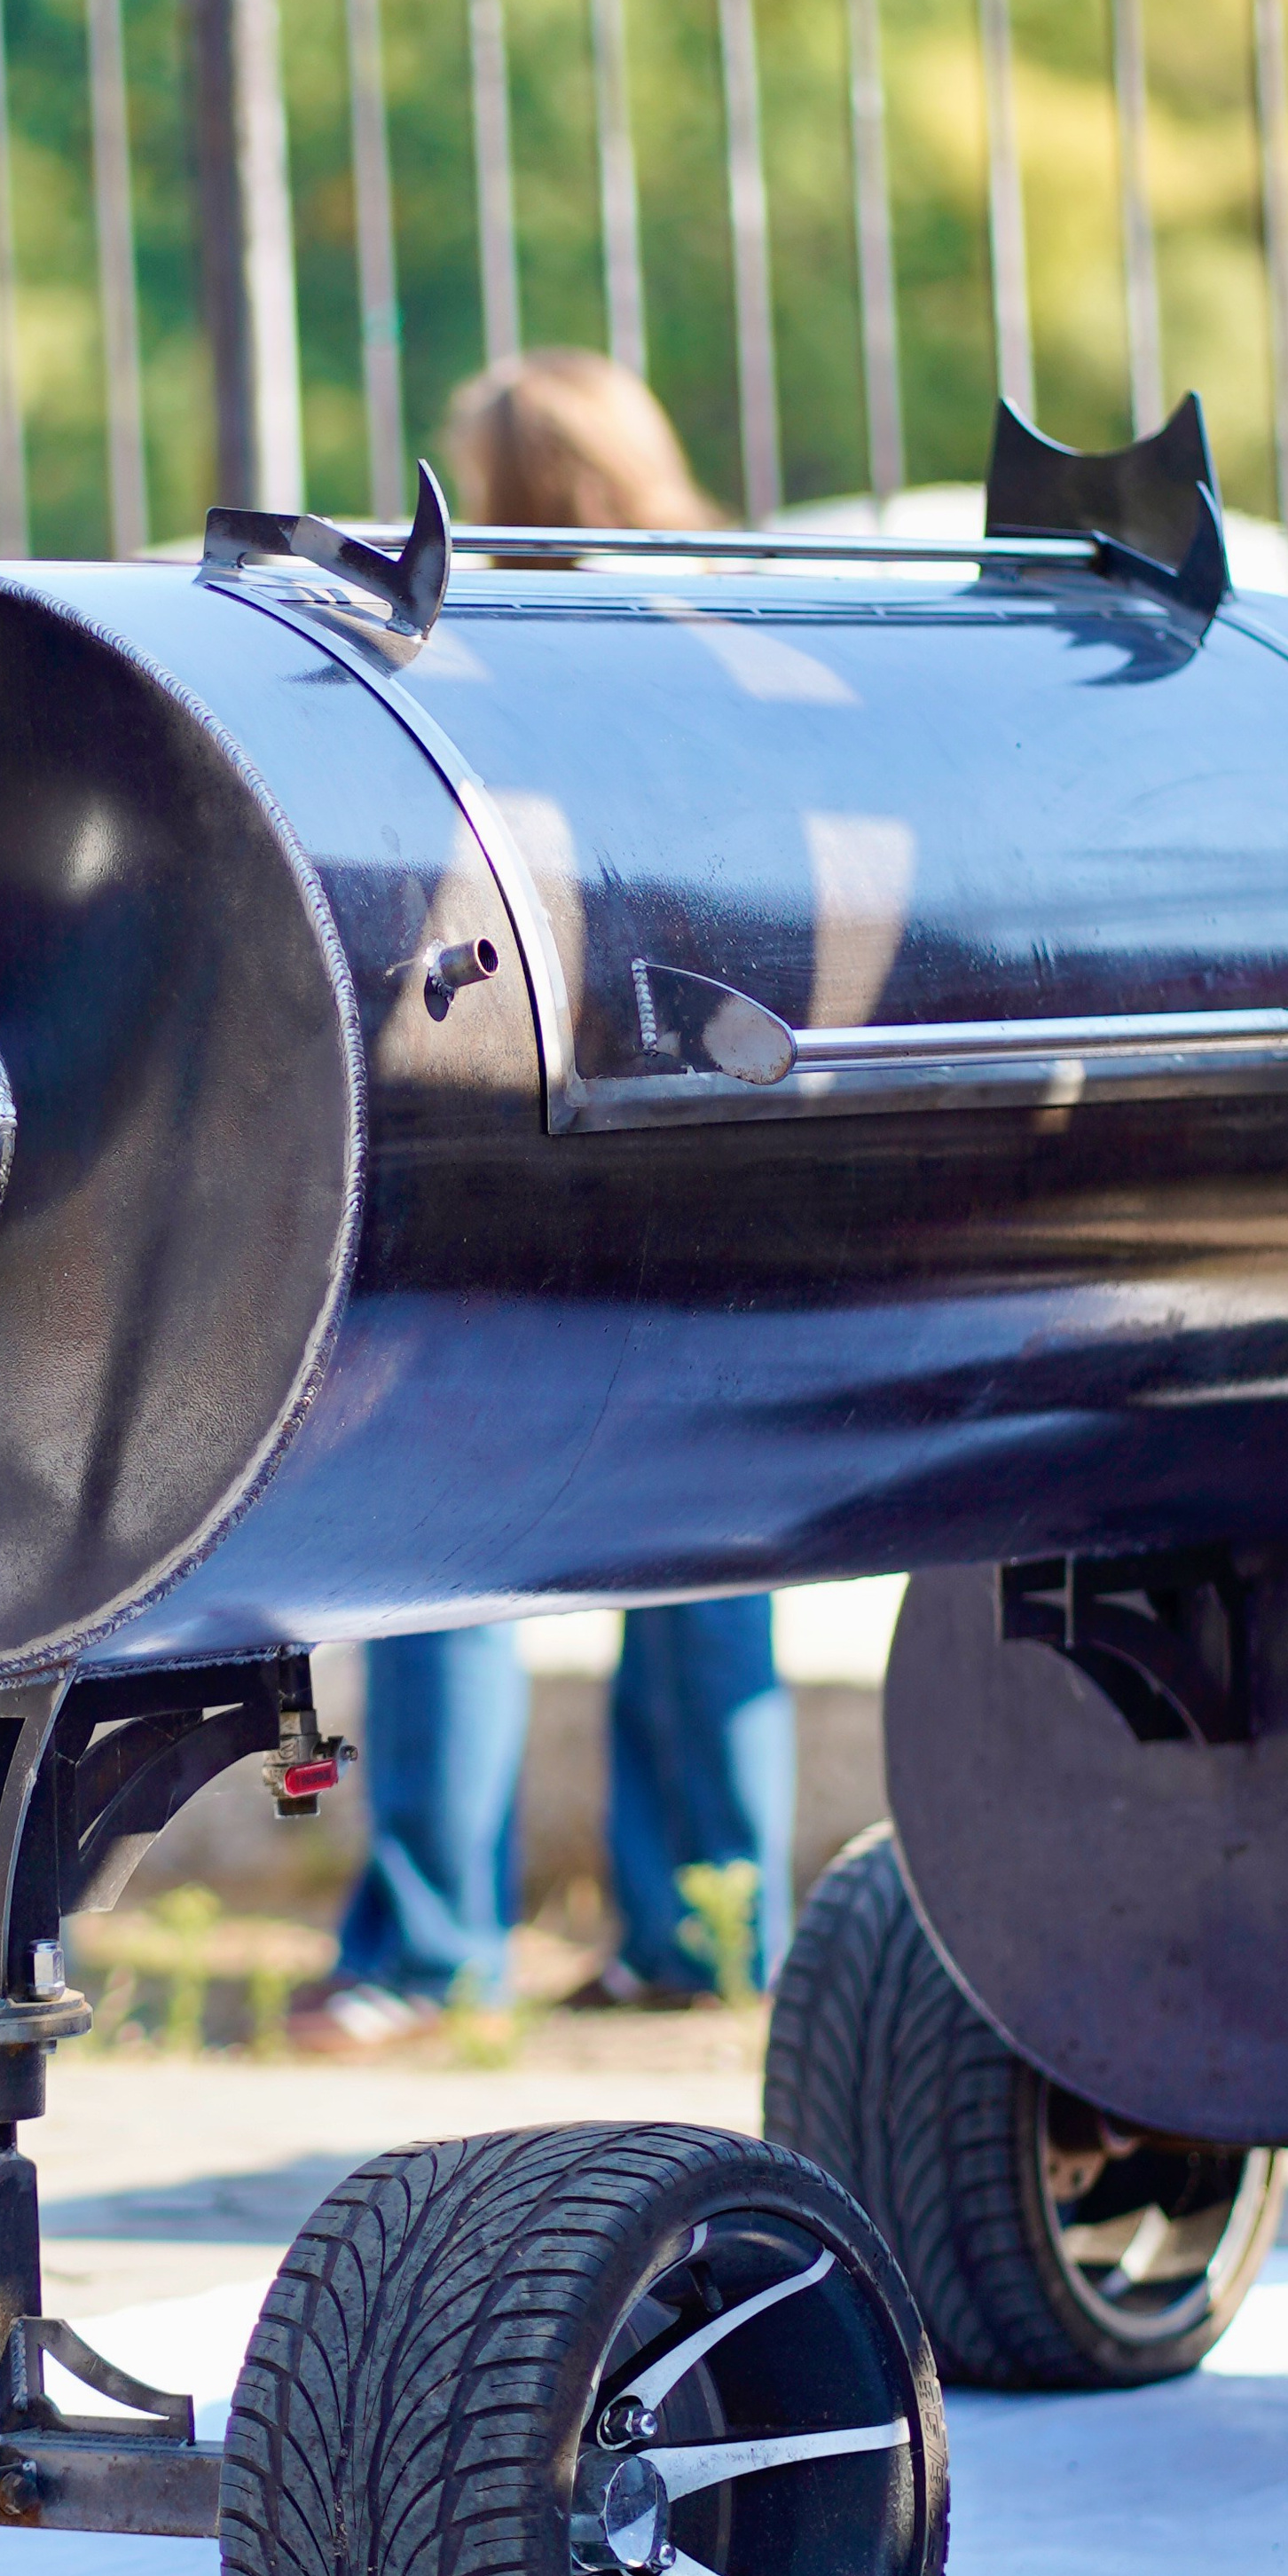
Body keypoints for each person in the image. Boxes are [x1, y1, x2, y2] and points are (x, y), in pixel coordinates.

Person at [287, 351, 797, 2052]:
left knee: (448, 1539)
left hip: (524, 1134)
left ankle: (429, 1949)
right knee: (707, 1542)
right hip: (723, 1114)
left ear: (499, 494)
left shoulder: (463, 661)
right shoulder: (742, 643)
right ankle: (709, 1927)